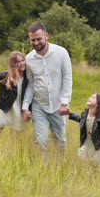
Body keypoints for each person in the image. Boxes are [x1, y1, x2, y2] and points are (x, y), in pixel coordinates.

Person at [22, 22, 72, 150]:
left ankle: (60, 167)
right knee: (40, 141)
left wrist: (65, 102)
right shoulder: (29, 59)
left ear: (46, 36)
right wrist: (25, 107)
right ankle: (42, 168)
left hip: (58, 104)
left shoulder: (61, 53)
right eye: (32, 40)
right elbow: (30, 85)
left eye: (39, 39)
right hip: (39, 105)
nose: (36, 42)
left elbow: (67, 78)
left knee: (60, 142)